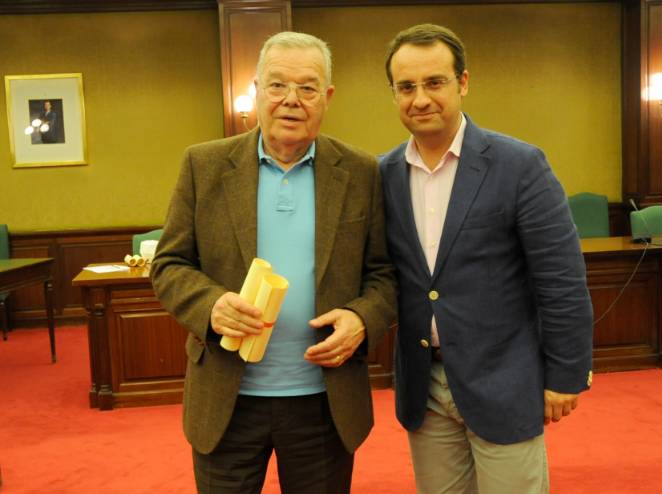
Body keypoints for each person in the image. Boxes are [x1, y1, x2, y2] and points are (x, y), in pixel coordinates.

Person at [151, 31, 396, 494]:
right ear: (257, 90)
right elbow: (169, 265)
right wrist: (210, 306)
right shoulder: (204, 165)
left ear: (327, 97)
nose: (291, 100)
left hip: (324, 402)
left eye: (307, 88)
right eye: (278, 85)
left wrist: (362, 319)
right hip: (227, 399)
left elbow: (384, 273)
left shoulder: (362, 172)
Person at [379, 24, 594, 494]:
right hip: (424, 386)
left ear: (463, 82)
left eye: (434, 82)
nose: (420, 99)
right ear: (393, 93)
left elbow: (561, 279)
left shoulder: (520, 165)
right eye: (406, 87)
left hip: (505, 380)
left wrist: (566, 374)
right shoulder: (383, 174)